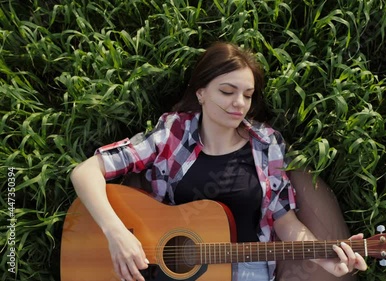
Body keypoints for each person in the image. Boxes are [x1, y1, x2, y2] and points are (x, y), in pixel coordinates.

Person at [70, 42, 367, 281]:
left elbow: (285, 220)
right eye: (227, 91)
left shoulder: (266, 144)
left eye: (247, 95)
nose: (239, 103)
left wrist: (326, 258)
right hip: (166, 271)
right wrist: (117, 235)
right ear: (201, 92)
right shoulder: (172, 133)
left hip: (249, 270)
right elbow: (85, 172)